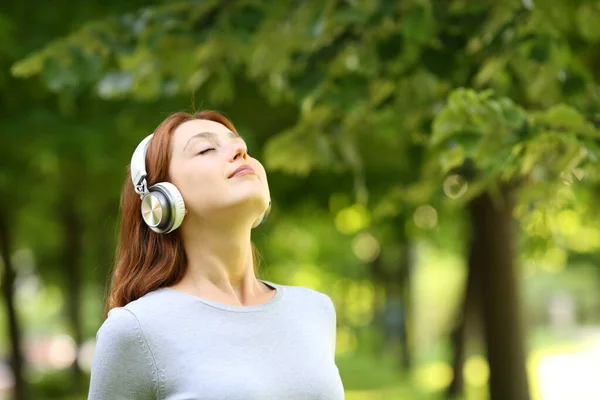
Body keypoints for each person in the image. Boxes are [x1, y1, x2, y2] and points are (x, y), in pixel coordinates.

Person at [87, 110, 345, 399]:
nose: (240, 151)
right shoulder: (135, 330)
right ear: (161, 201)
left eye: (240, 145)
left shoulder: (314, 310)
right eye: (206, 149)